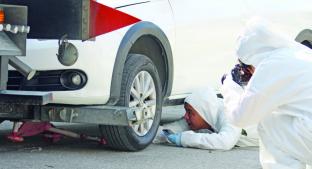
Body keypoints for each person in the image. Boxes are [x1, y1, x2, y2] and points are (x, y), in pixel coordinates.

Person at [221, 18, 312, 169]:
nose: (248, 72)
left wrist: (230, 86)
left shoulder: (271, 65)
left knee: (269, 123)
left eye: (246, 68)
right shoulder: (302, 53)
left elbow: (240, 118)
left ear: (251, 57)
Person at [153, 87, 258, 150]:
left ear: (204, 111)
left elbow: (225, 142)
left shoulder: (229, 112)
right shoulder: (205, 115)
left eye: (190, 112)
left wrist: (185, 139)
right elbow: (172, 128)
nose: (186, 116)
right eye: (186, 111)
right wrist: (150, 134)